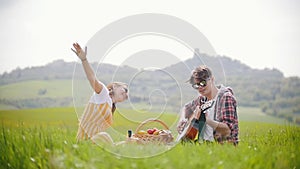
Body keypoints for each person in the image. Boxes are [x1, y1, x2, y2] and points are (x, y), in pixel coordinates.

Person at [71, 43, 129, 144]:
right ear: (114, 86)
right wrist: (84, 60)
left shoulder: (110, 105)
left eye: (127, 94)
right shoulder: (103, 94)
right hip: (84, 141)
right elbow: (92, 78)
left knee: (120, 143)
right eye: (125, 89)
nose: (126, 94)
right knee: (105, 137)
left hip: (94, 141)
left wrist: (127, 142)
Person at [177, 65, 239, 145]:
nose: (200, 87)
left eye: (203, 83)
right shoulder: (202, 99)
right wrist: (182, 119)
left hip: (222, 147)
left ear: (212, 79)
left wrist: (207, 120)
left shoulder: (225, 97)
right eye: (196, 85)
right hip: (204, 146)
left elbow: (228, 130)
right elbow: (186, 107)